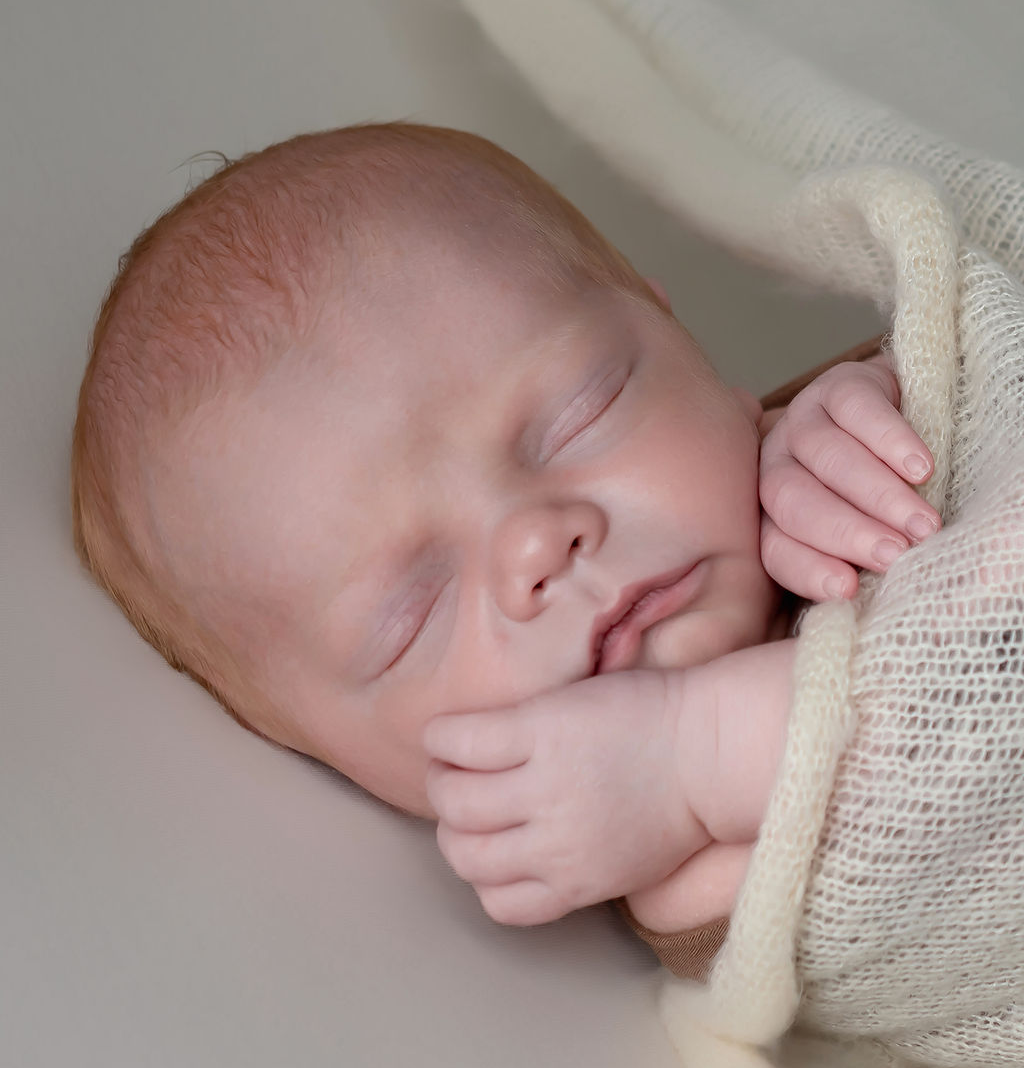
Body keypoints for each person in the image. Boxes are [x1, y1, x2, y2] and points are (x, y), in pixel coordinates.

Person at [71, 122, 940, 937]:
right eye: (413, 613)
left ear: (674, 332)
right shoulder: (694, 874)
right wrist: (688, 760)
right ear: (332, 758)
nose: (537, 543)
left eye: (581, 411)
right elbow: (963, 716)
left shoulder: (842, 441)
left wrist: (897, 399)